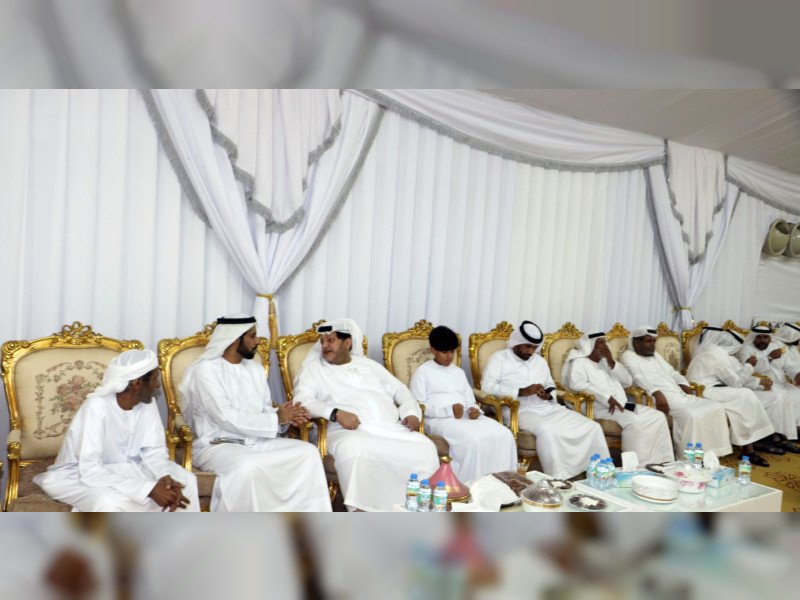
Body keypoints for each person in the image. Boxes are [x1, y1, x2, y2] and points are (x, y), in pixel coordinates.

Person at [180, 315, 332, 512]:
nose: (258, 341)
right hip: (218, 444)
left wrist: (284, 416)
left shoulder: (255, 369)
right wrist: (275, 418)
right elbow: (225, 417)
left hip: (257, 440)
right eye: (252, 336)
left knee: (308, 453)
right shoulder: (205, 371)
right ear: (234, 339)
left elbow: (264, 409)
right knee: (249, 466)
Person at [293, 318, 440, 512]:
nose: (325, 345)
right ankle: (363, 511)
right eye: (323, 341)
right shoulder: (314, 369)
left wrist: (411, 413)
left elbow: (400, 390)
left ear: (348, 342)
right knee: (354, 450)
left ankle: (415, 509)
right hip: (348, 431)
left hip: (391, 428)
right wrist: (335, 413)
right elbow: (302, 400)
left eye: (331, 340)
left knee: (425, 448)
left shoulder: (369, 365)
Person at [34, 349, 199, 512]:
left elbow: (153, 451)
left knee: (186, 481)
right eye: (155, 378)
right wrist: (148, 489)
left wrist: (164, 478)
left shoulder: (147, 402)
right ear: (137, 383)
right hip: (80, 475)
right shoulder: (96, 407)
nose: (157, 385)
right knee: (110, 503)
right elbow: (90, 470)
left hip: (132, 467)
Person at [480, 321, 608, 479]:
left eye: (534, 347)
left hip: (548, 408)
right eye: (527, 346)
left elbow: (550, 385)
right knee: (548, 430)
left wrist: (548, 395)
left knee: (592, 427)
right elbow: (487, 387)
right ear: (517, 342)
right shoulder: (499, 359)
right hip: (520, 410)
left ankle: (599, 474)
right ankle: (559, 477)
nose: (530, 351)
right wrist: (521, 391)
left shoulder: (539, 361)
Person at [409, 325, 517, 482]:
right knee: (473, 439)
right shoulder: (422, 372)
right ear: (433, 350)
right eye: (444, 352)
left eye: (452, 352)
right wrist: (448, 411)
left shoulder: (458, 372)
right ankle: (470, 485)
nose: (449, 356)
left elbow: (470, 400)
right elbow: (419, 406)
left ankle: (502, 483)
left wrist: (474, 410)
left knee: (504, 434)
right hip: (438, 419)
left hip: (466, 417)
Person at [562, 332, 674, 465]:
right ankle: (636, 465)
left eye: (604, 343)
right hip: (600, 408)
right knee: (635, 422)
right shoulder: (579, 362)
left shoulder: (605, 362)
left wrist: (611, 361)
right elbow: (577, 384)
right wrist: (607, 398)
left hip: (624, 405)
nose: (603, 346)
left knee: (658, 416)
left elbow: (627, 381)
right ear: (589, 345)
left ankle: (661, 462)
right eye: (599, 343)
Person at [620, 326, 732, 457]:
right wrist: (657, 393)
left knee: (716, 407)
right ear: (636, 343)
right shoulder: (628, 356)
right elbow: (637, 377)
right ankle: (687, 456)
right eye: (648, 341)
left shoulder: (655, 356)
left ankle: (710, 453)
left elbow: (673, 373)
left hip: (676, 393)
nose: (652, 345)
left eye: (654, 341)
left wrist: (684, 384)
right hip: (653, 397)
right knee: (692, 414)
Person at [686, 327, 782, 466]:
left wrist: (758, 382)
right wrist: (749, 364)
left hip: (716, 388)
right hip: (703, 391)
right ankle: (757, 441)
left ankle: (752, 443)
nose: (738, 348)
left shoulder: (720, 353)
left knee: (744, 401)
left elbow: (735, 375)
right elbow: (737, 382)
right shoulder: (715, 355)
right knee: (744, 394)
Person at [736, 324, 800, 452]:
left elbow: (788, 366)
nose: (762, 340)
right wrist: (769, 358)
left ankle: (791, 433)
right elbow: (747, 370)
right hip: (758, 386)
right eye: (759, 337)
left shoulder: (777, 348)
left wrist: (796, 375)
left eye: (765, 337)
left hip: (781, 384)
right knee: (780, 398)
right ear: (753, 338)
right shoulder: (745, 350)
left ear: (770, 338)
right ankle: (773, 437)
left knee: (797, 393)